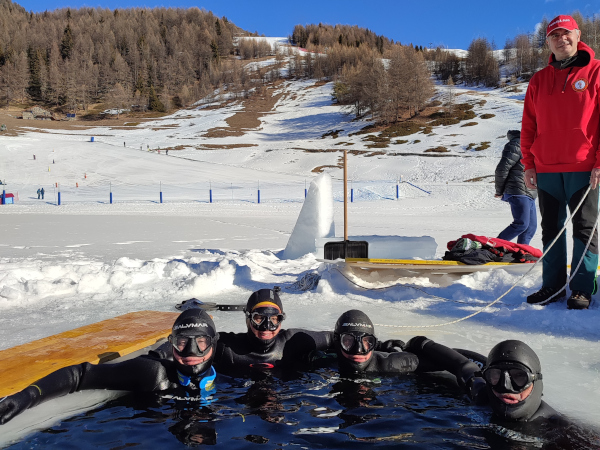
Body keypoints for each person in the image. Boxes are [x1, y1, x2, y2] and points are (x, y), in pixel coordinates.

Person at [0, 309, 220, 425]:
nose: (191, 352)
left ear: (214, 343)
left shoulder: (232, 363)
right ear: (172, 344)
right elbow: (79, 375)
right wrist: (29, 396)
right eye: (182, 342)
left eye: (200, 343)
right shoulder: (153, 374)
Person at [521, 15, 600, 309]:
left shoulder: (596, 72)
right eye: (554, 35)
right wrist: (529, 163)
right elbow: (529, 125)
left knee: (584, 230)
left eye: (566, 33)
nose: (561, 38)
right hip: (547, 169)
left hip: (584, 168)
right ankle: (552, 286)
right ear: (548, 42)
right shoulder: (539, 80)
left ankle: (581, 289)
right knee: (551, 231)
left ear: (578, 35)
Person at [495, 130, 537, 245]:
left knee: (530, 227)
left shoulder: (535, 145)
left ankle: (521, 252)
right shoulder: (516, 144)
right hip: (517, 189)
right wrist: (500, 190)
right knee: (521, 223)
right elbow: (502, 169)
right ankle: (494, 246)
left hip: (531, 192)